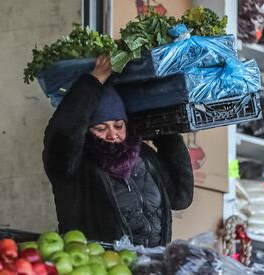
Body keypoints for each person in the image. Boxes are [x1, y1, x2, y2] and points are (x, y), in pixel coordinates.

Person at [43, 56, 194, 247]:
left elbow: (181, 198)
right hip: (98, 268)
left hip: (151, 265)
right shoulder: (74, 166)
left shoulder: (144, 156)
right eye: (100, 128)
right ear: (86, 130)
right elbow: (63, 133)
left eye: (118, 125)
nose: (112, 134)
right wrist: (92, 82)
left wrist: (167, 134)